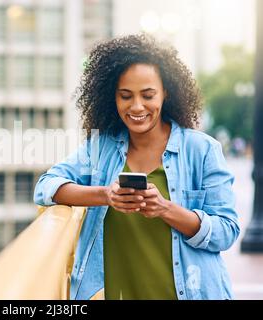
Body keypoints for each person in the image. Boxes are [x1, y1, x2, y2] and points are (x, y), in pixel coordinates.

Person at [33, 34, 239, 300]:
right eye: (126, 96)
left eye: (148, 95)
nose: (137, 106)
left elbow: (226, 231)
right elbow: (46, 186)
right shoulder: (101, 148)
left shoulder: (202, 150)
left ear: (166, 92)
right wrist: (105, 195)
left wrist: (165, 208)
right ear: (113, 98)